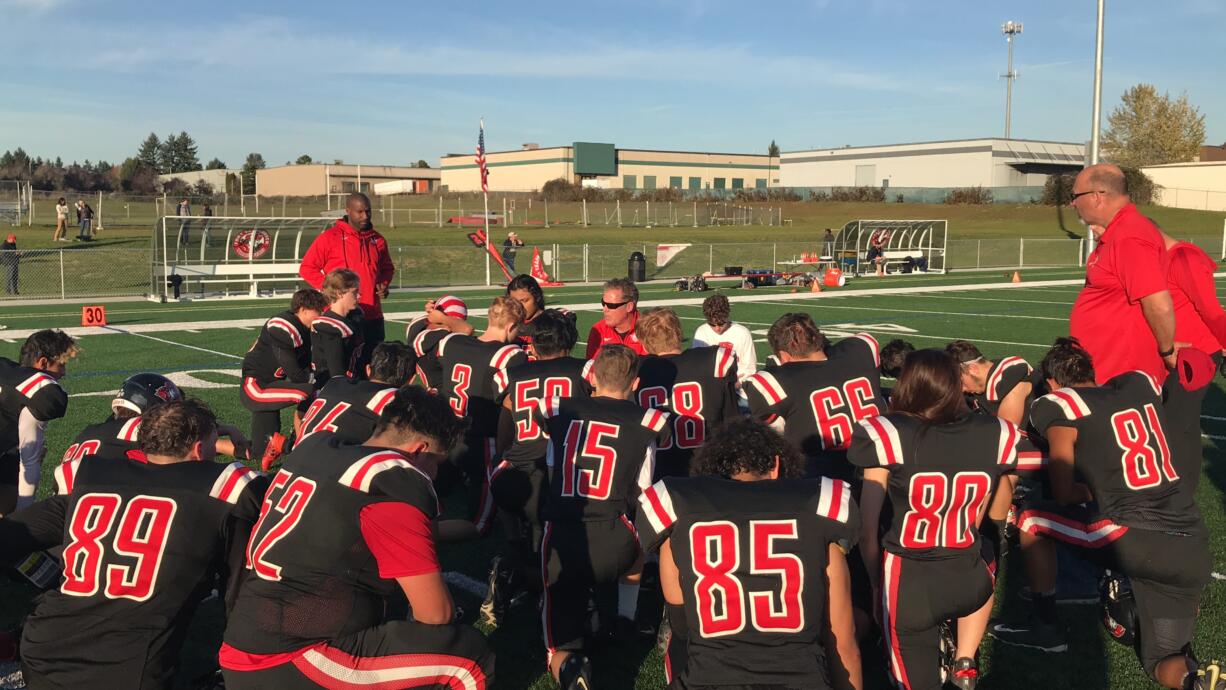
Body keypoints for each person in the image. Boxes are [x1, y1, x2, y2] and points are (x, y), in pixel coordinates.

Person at [219, 387, 494, 689]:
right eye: (436, 464)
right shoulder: (392, 484)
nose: (435, 474)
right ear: (419, 449)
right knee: (467, 657)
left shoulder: (315, 448)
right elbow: (435, 614)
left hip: (246, 638)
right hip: (293, 658)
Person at [992, 338, 1216, 690]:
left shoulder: (1060, 405)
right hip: (1193, 543)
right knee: (1160, 660)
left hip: (1135, 536)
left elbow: (1064, 491)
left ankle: (1045, 626)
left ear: (1052, 384)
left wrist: (1094, 490)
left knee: (1031, 519)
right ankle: (1199, 680)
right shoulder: (1137, 384)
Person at [0, 399, 266, 689]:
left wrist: (44, 575)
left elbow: (11, 535)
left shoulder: (92, 476)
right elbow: (240, 596)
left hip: (43, 649)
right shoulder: (224, 490)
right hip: (127, 666)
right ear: (200, 449)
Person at [636, 419, 861, 690]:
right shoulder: (818, 509)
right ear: (777, 466)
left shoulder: (679, 509)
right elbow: (844, 643)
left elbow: (682, 626)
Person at [850, 349, 1020, 690]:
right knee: (985, 542)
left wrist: (873, 585)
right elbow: (979, 515)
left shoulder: (887, 432)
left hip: (911, 582)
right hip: (969, 577)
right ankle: (966, 661)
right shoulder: (997, 431)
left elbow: (868, 531)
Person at [537, 344, 670, 689]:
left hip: (565, 537)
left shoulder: (559, 411)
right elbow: (642, 490)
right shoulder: (646, 421)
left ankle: (572, 667)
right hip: (618, 539)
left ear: (592, 377)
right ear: (636, 383)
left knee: (559, 638)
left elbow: (553, 471)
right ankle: (626, 617)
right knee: (637, 534)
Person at [482, 309, 592, 626]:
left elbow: (504, 429)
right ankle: (542, 584)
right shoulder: (586, 371)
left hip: (513, 472)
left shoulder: (511, 375)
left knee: (528, 535)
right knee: (558, 542)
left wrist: (505, 461)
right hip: (559, 476)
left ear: (533, 343)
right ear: (570, 341)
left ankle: (511, 565)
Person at [1068, 163, 1176, 384]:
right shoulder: (1119, 233)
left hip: (1121, 374)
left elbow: (1158, 304)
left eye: (1075, 195)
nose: (1072, 203)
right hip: (1107, 368)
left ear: (1097, 196)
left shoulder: (1129, 236)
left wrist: (1167, 351)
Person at [743, 313, 885, 480]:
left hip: (822, 479)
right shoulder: (862, 348)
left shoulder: (774, 381)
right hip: (880, 465)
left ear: (783, 355)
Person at [436, 296, 527, 535]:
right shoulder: (509, 354)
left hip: (448, 430)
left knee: (444, 483)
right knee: (485, 481)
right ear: (510, 326)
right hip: (482, 435)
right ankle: (479, 522)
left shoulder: (452, 342)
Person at [635, 307, 739, 479]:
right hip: (708, 469)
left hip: (660, 473)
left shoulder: (637, 369)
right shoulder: (713, 360)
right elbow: (732, 418)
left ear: (643, 342)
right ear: (678, 333)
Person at [1159, 229, 1226, 493]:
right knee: (1183, 424)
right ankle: (1182, 492)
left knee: (1175, 424)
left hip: (1194, 353)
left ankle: (1175, 495)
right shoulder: (1165, 259)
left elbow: (1211, 309)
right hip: (1176, 353)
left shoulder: (1184, 257)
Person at [298, 192, 395, 370]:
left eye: (368, 211)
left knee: (373, 368)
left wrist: (383, 284)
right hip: (340, 316)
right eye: (359, 212)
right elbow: (307, 268)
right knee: (341, 368)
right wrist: (331, 290)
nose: (365, 216)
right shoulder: (329, 238)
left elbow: (387, 268)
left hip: (372, 315)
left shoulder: (378, 240)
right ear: (348, 211)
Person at [65, 372, 252, 464]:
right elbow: (184, 446)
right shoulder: (138, 431)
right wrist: (229, 431)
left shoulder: (92, 431)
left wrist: (224, 430)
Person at [239, 288, 328, 458]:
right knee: (311, 391)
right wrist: (317, 379)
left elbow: (306, 366)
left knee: (258, 451)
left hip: (272, 386)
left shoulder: (305, 328)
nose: (321, 315)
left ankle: (216, 445)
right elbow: (296, 374)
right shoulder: (283, 325)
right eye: (318, 311)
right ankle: (301, 445)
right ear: (303, 309)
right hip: (256, 387)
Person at [0, 329, 77, 513]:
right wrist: (22, 516)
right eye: (62, 365)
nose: (64, 373)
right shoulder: (42, 391)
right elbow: (30, 459)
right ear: (43, 362)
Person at [296, 341, 412, 450]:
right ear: (411, 380)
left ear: (367, 370)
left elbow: (299, 415)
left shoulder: (334, 383)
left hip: (292, 462)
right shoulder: (393, 400)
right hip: (335, 468)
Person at [406, 294, 473, 391]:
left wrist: (434, 313)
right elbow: (467, 329)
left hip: (432, 393)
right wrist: (444, 319)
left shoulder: (415, 328)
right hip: (445, 396)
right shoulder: (444, 343)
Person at [311, 268, 365, 387]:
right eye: (355, 292)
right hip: (331, 388)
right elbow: (337, 373)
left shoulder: (355, 315)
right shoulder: (329, 326)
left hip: (353, 381)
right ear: (339, 293)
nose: (359, 295)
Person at [690, 293, 757, 384]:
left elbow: (749, 367)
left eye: (721, 324)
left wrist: (739, 382)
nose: (717, 328)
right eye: (712, 324)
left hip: (736, 387)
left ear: (727, 316)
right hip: (711, 385)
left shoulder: (742, 333)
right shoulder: (702, 332)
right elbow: (697, 364)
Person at [506, 273, 572, 352]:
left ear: (537, 297)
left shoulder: (552, 321)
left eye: (524, 301)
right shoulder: (508, 324)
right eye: (514, 302)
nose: (519, 306)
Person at [586, 277, 647, 359]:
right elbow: (592, 367)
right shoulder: (598, 330)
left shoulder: (648, 329)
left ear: (629, 307)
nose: (605, 309)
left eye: (611, 305)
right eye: (603, 303)